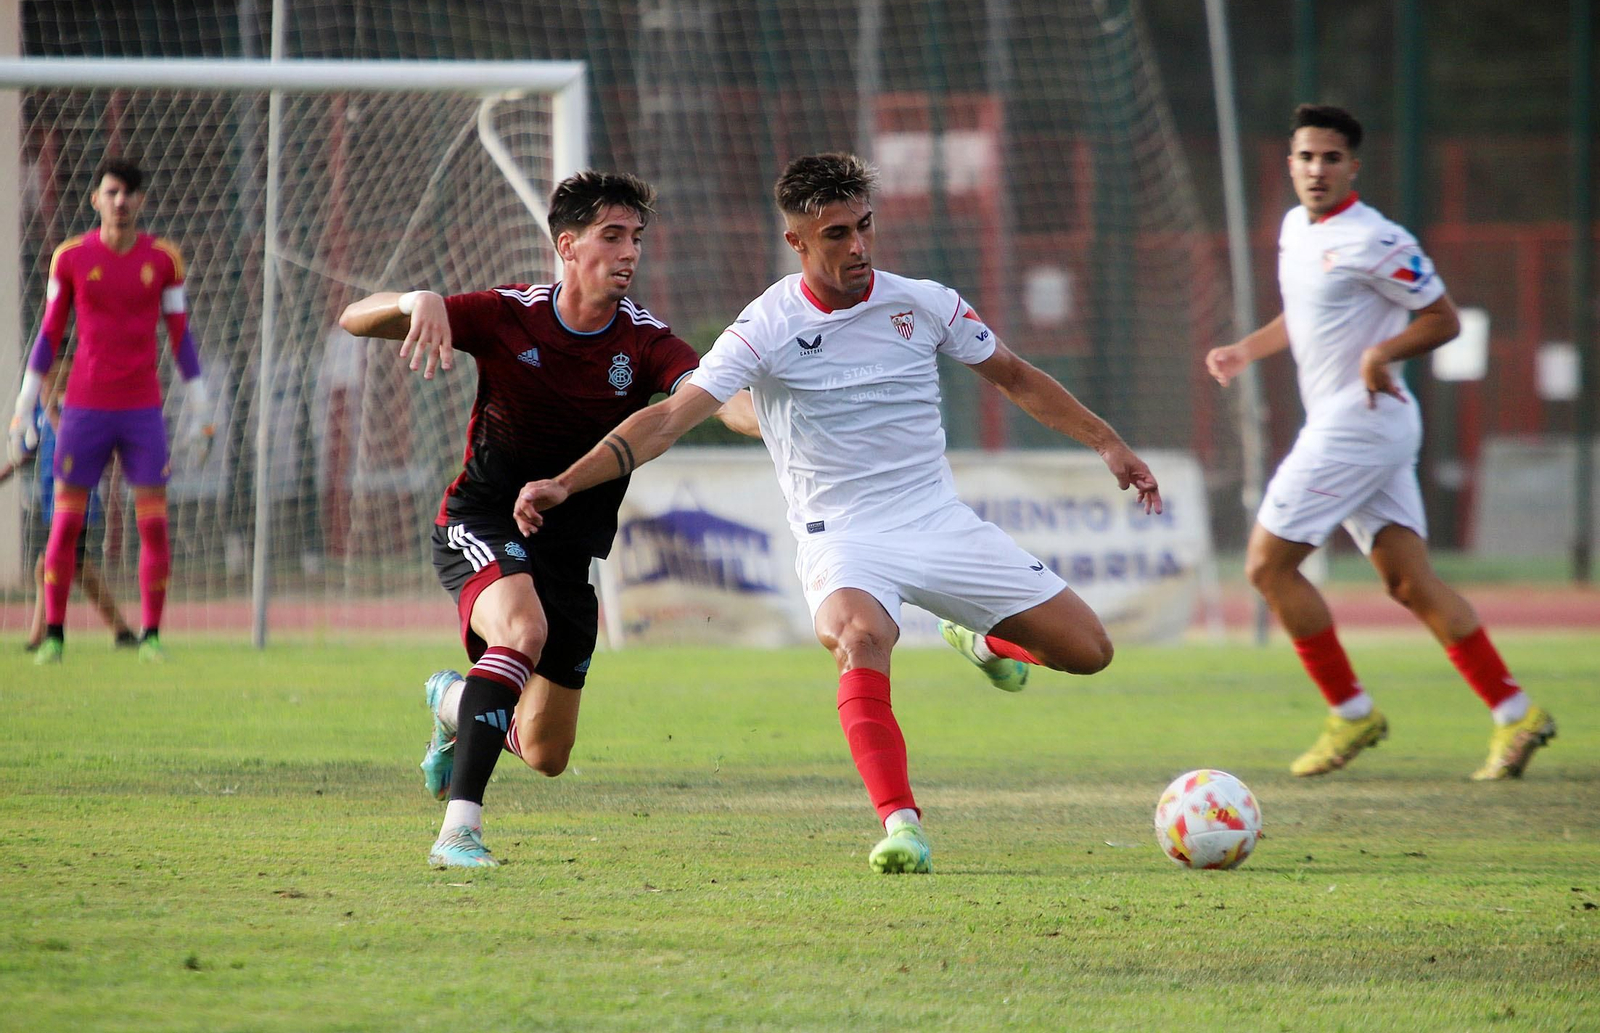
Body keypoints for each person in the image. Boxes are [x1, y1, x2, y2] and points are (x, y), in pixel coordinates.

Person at [513, 152, 1162, 875]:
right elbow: (668, 419)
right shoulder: (766, 324)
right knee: (856, 635)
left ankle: (978, 640)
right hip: (843, 536)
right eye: (836, 235)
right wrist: (566, 482)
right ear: (797, 242)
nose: (857, 247)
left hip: (937, 520)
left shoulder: (923, 303)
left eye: (864, 227)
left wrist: (1108, 443)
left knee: (1089, 652)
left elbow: (1014, 376)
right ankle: (903, 824)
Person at [338, 171, 758, 869]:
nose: (629, 253)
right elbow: (355, 316)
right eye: (612, 236)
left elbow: (712, 398)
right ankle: (458, 832)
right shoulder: (510, 314)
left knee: (546, 753)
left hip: (568, 556)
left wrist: (767, 421)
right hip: (483, 520)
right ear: (567, 246)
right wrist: (420, 301)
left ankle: (454, 701)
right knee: (521, 628)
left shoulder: (645, 342)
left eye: (637, 239)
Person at [1204, 104, 1556, 781]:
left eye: (1331, 158)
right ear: (1290, 163)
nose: (1317, 169)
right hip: (1364, 424)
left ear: (1352, 166)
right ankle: (1518, 714)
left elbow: (1443, 318)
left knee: (1266, 567)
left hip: (1360, 419)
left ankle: (1351, 710)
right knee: (1408, 581)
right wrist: (1247, 349)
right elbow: (1307, 311)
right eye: (1306, 157)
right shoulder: (1295, 229)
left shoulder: (1378, 238)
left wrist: (1381, 354)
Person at [8, 157, 213, 665]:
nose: (121, 201)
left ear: (141, 201)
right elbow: (51, 333)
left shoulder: (162, 259)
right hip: (84, 410)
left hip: (142, 410)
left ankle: (151, 637)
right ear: (97, 199)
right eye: (113, 192)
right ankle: (54, 636)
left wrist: (203, 406)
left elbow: (181, 337)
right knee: (64, 525)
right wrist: (22, 406)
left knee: (154, 527)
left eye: (130, 193)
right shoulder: (71, 257)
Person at [24, 360, 138, 651]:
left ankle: (40, 637)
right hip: (50, 501)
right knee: (71, 568)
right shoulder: (40, 413)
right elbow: (29, 449)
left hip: (76, 503)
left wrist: (51, 412)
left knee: (54, 565)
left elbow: (74, 443)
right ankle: (121, 632)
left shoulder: (73, 412)